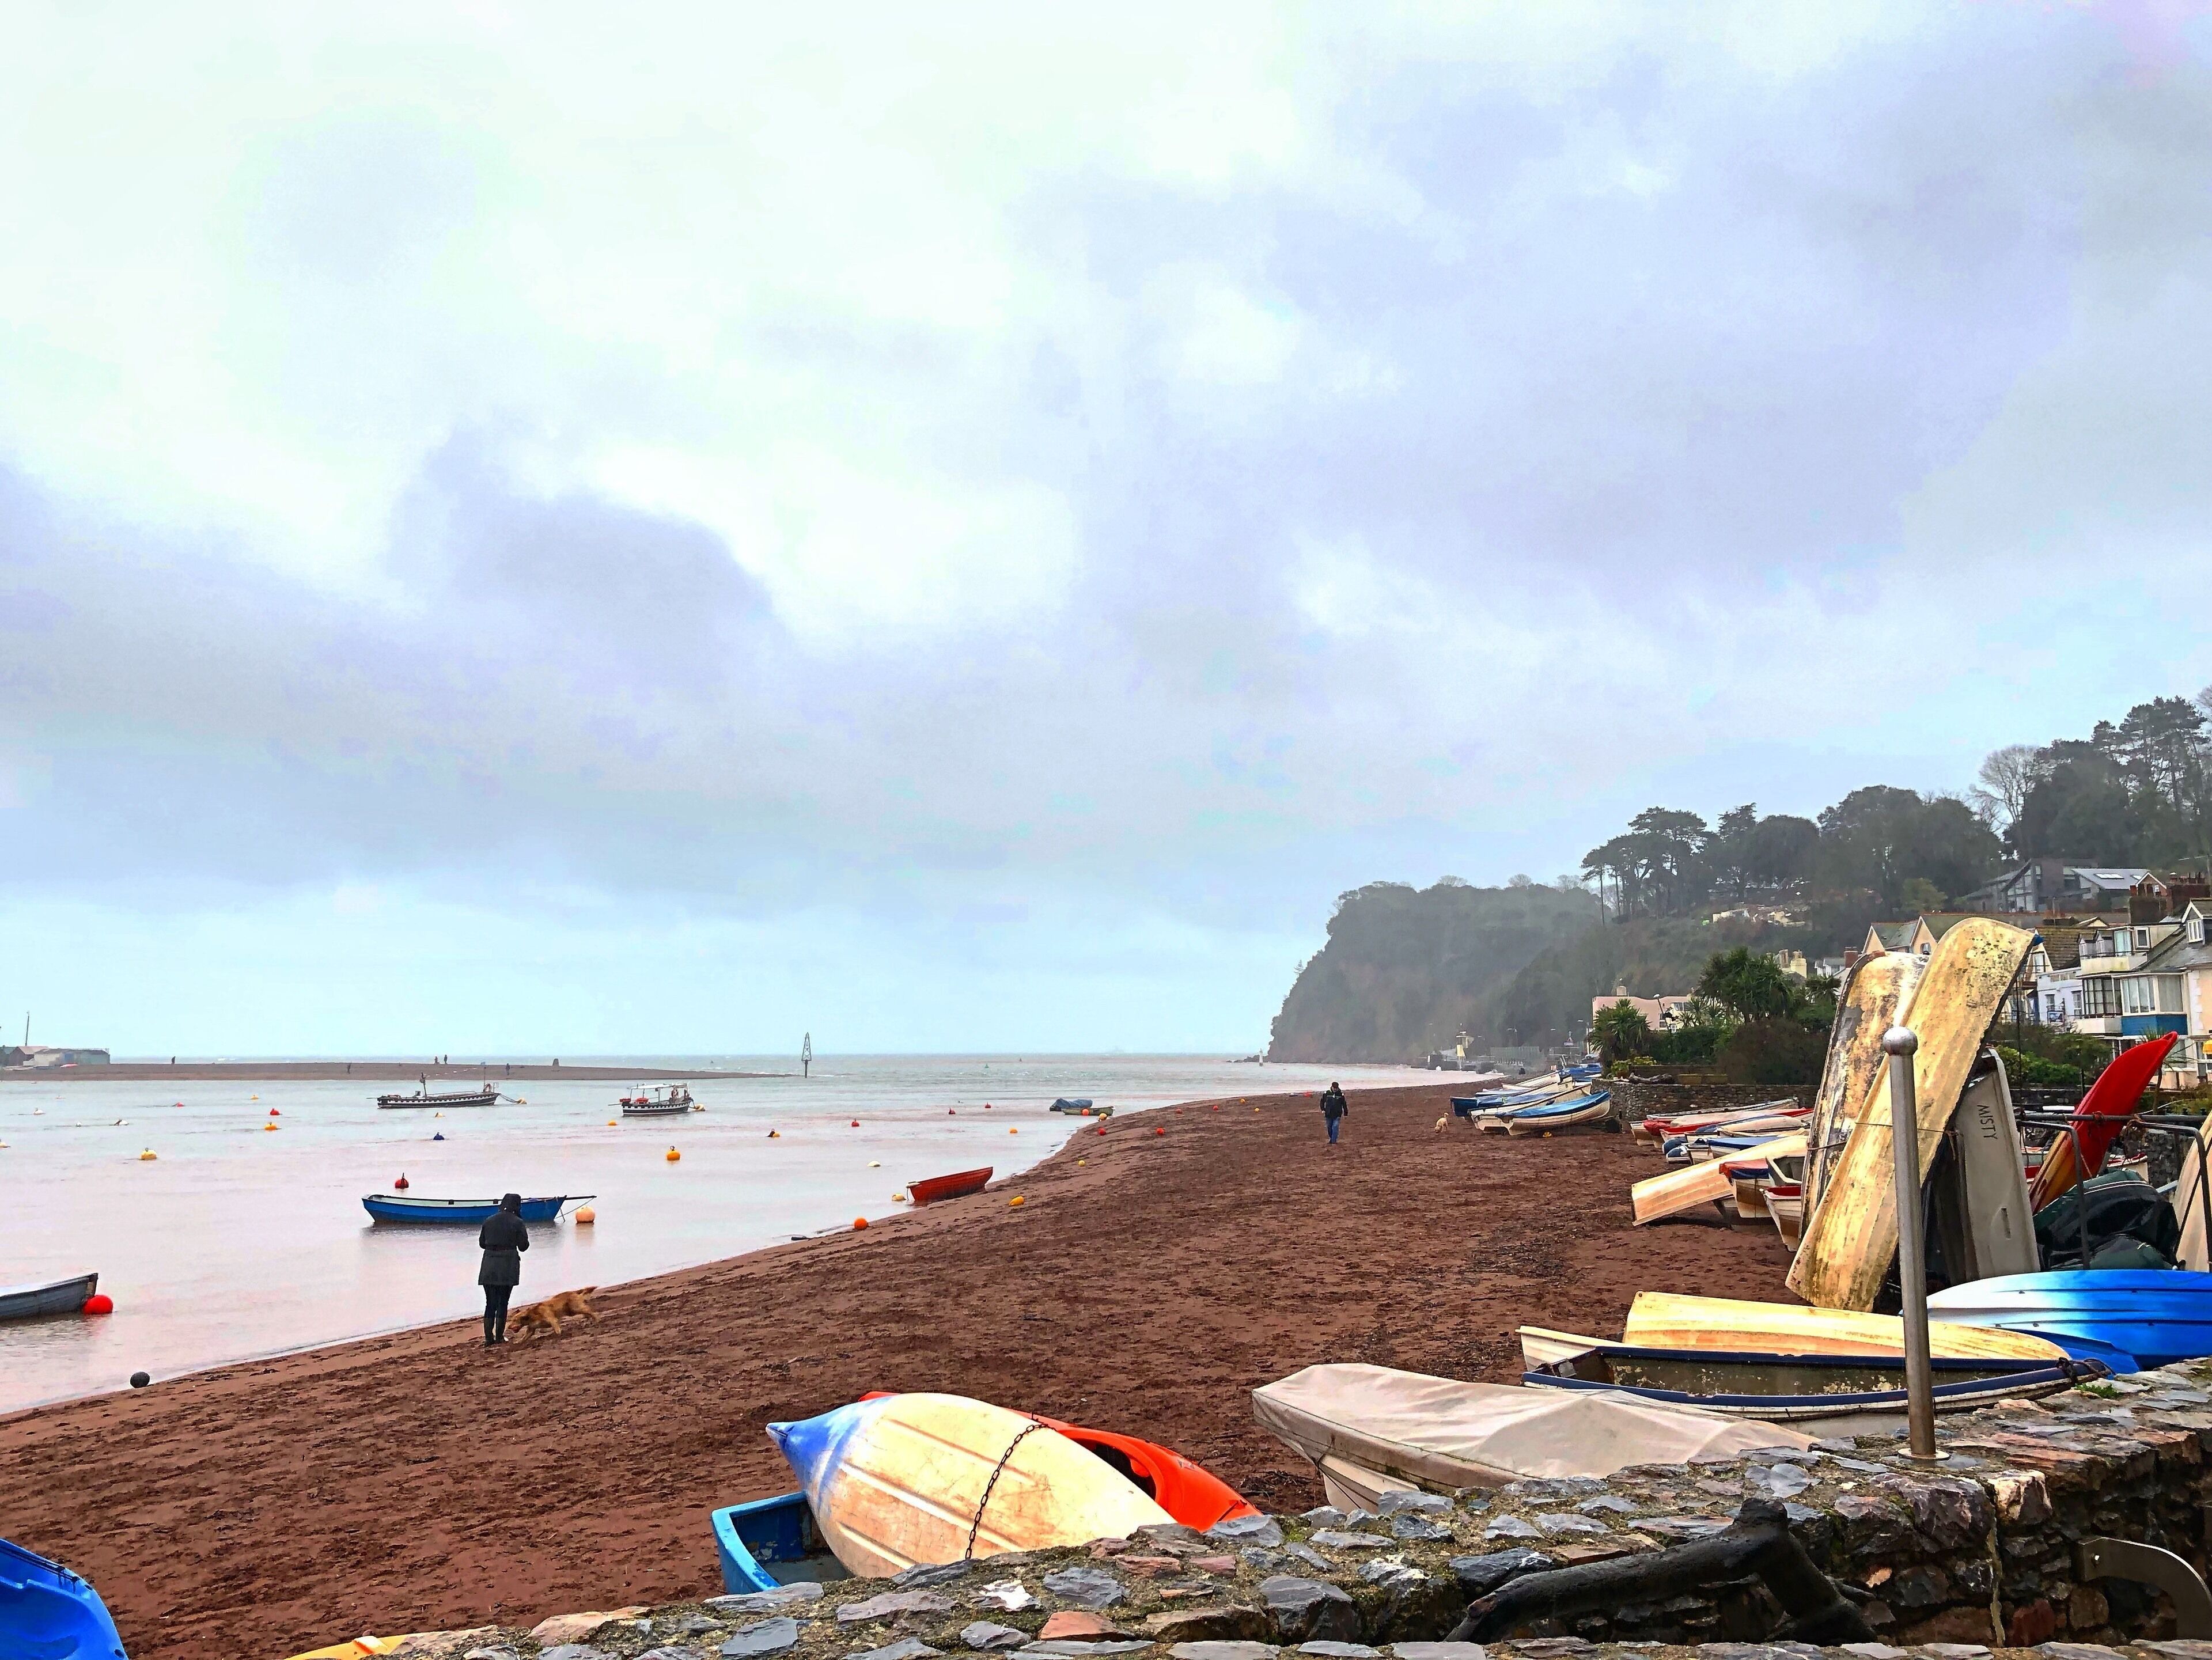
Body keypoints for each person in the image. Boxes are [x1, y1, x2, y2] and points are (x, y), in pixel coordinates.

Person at [478, 1192, 529, 1345]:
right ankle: (499, 1337)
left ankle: (488, 1339)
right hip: (508, 1266)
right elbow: (523, 1247)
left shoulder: (489, 1220)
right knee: (503, 1302)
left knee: (490, 1303)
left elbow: (482, 1243)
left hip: (489, 1265)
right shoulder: (518, 1222)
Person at [1320, 1081, 1348, 1145]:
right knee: (1329, 1127)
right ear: (1332, 1087)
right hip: (1328, 1114)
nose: (1335, 1089)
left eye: (1336, 1088)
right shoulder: (1327, 1093)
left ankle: (1334, 1141)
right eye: (1334, 1088)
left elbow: (1344, 1104)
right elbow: (1322, 1102)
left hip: (1337, 1114)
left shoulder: (1340, 1095)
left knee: (1335, 1126)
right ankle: (1331, 1139)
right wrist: (1323, 1109)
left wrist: (1346, 1112)